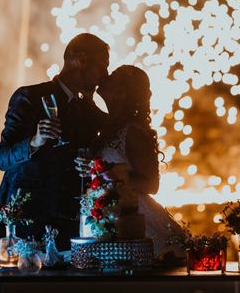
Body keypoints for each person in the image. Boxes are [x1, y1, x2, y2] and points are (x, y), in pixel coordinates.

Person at [0, 33, 109, 250]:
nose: (104, 75)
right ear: (82, 60)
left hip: (70, 225)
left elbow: (114, 133)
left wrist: (92, 165)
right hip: (28, 223)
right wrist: (35, 141)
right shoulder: (29, 97)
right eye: (102, 67)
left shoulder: (87, 108)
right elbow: (2, 158)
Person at [76, 65, 185, 257]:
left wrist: (110, 176)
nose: (106, 76)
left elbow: (152, 184)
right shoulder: (109, 126)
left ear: (121, 93)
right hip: (110, 216)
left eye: (114, 76)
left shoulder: (133, 132)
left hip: (134, 219)